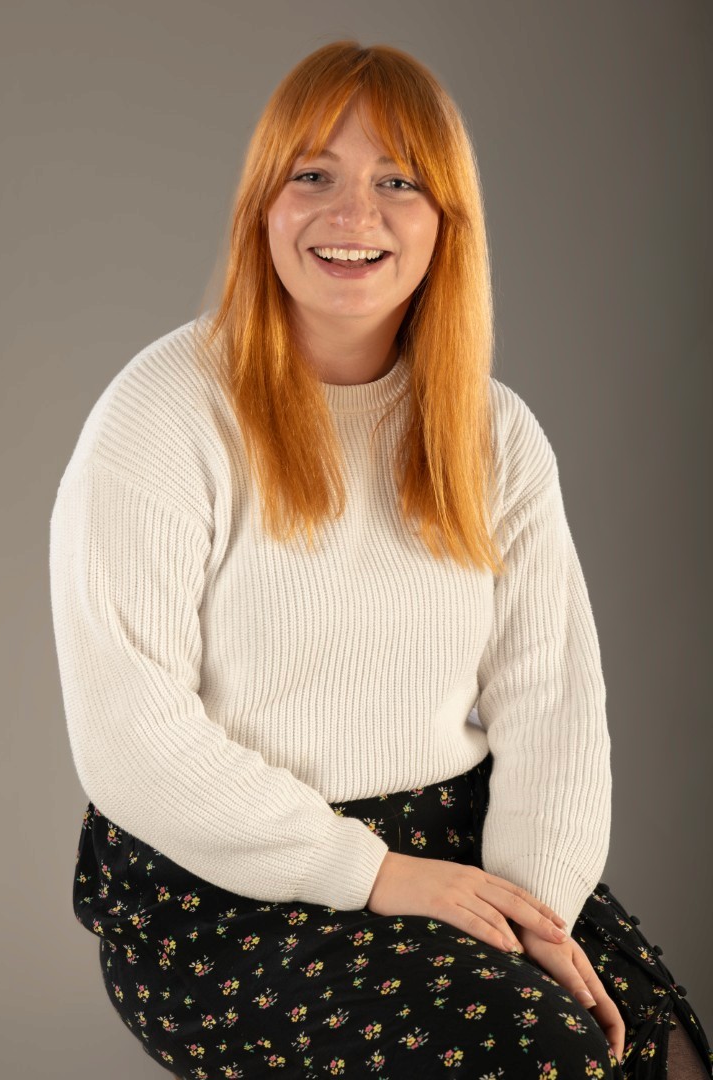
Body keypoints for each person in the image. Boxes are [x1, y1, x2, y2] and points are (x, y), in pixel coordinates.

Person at [49, 40, 711, 1080]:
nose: (352, 216)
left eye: (397, 182)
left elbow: (555, 702)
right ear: (263, 204)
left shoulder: (495, 434)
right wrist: (373, 873)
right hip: (227, 888)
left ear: (447, 221)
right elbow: (131, 738)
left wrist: (534, 905)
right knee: (539, 1060)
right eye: (313, 175)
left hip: (460, 846)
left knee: (662, 1056)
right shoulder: (162, 413)